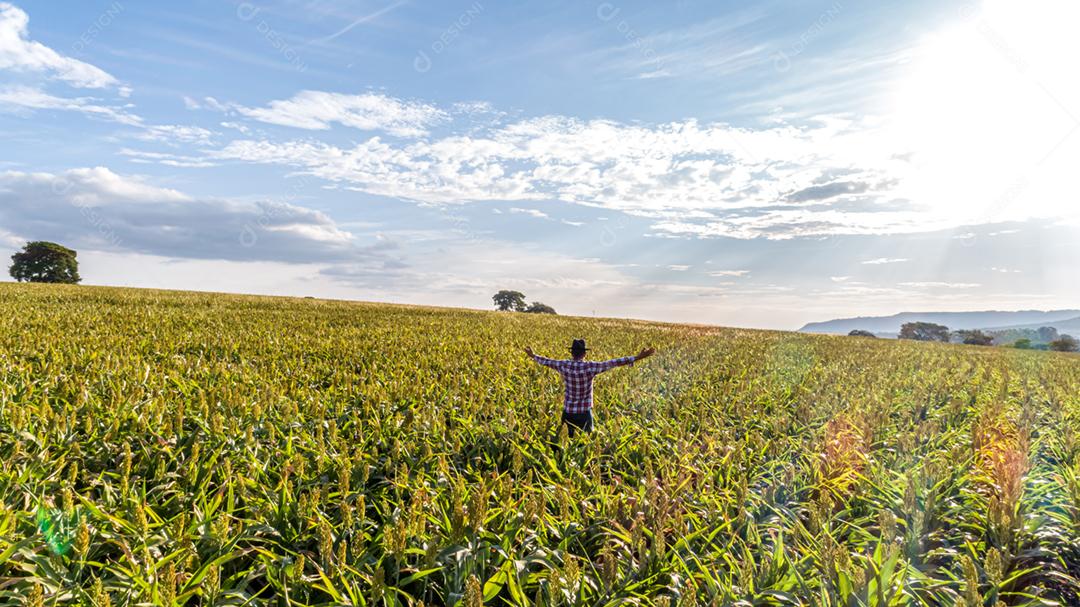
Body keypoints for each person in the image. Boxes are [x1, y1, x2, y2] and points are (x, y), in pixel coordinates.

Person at [524, 339, 655, 436]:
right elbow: (613, 362)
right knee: (587, 442)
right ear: (584, 354)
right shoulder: (590, 367)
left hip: (568, 411)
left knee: (566, 440)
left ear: (572, 353)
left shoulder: (563, 365)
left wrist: (533, 355)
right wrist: (636, 357)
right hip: (584, 413)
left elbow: (546, 361)